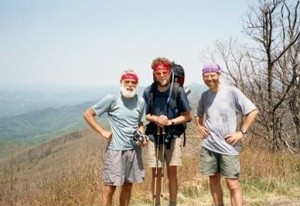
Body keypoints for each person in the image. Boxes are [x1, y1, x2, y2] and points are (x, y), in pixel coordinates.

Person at [195, 63, 259, 206]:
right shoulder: (205, 96)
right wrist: (199, 126)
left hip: (228, 146)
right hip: (209, 146)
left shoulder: (231, 92)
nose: (209, 78)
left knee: (232, 184)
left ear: (219, 74)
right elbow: (198, 115)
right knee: (213, 181)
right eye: (206, 76)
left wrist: (241, 132)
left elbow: (252, 111)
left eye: (212, 75)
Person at [83, 70, 148, 206]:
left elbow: (140, 123)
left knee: (128, 185)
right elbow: (88, 114)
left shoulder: (140, 102)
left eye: (133, 82)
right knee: (110, 187)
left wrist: (142, 137)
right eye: (127, 82)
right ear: (121, 83)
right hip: (115, 150)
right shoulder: (112, 99)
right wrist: (102, 132)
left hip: (134, 150)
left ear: (137, 85)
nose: (130, 85)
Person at [143, 57, 191, 206]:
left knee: (172, 174)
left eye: (165, 72)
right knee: (156, 173)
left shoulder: (178, 90)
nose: (162, 75)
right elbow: (146, 114)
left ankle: (172, 203)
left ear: (170, 72)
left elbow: (187, 116)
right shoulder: (149, 91)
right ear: (154, 74)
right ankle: (156, 203)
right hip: (153, 136)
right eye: (158, 73)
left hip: (173, 136)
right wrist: (157, 119)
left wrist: (170, 122)